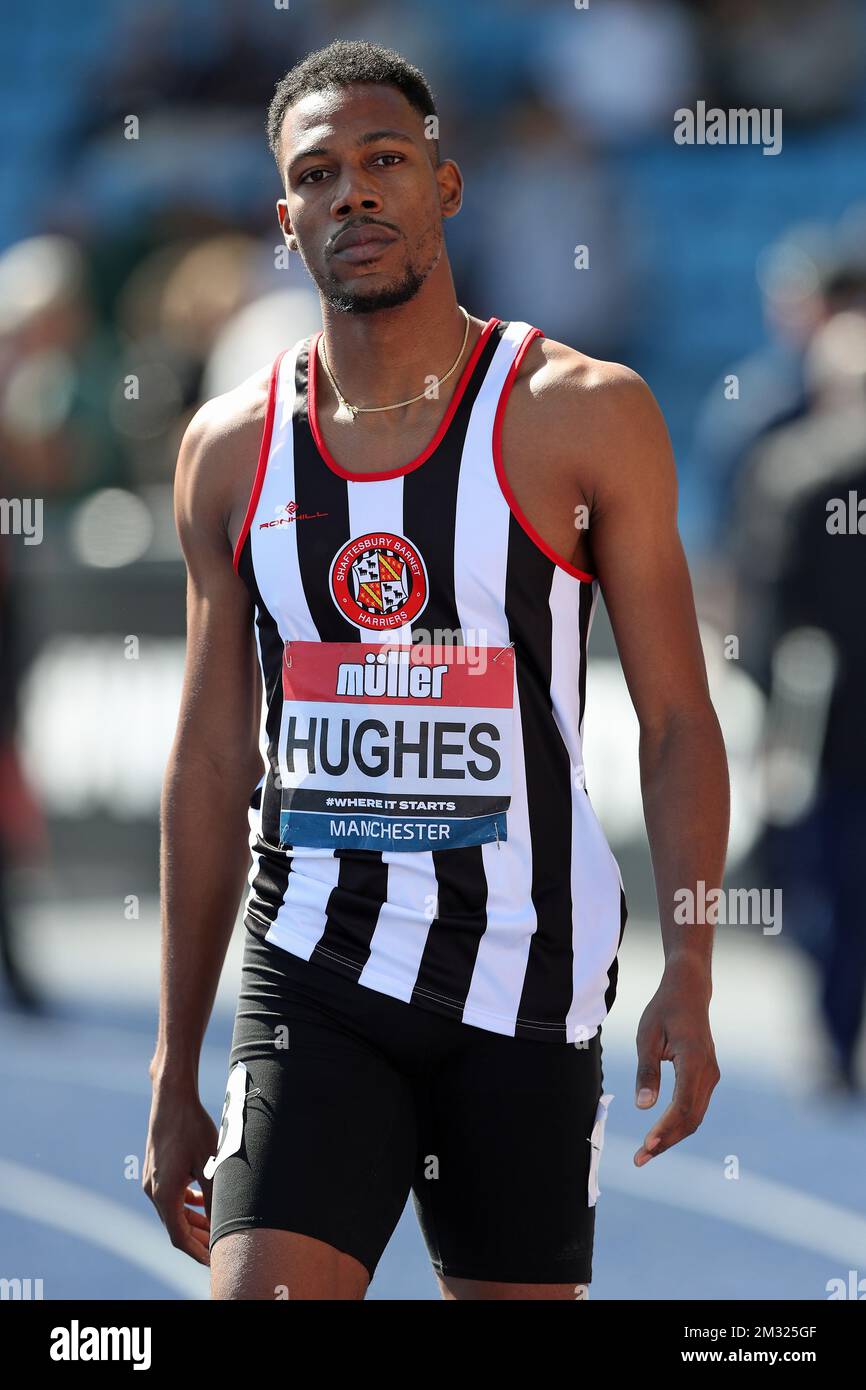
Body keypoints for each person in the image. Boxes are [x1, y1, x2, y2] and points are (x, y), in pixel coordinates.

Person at [143, 40, 728, 1302]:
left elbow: (677, 716)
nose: (351, 193)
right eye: (317, 174)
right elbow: (204, 761)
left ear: (446, 189)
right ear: (282, 214)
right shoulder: (230, 451)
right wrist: (171, 1067)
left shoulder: (580, 411)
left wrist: (689, 962)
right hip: (311, 964)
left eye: (383, 160)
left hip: (524, 975)